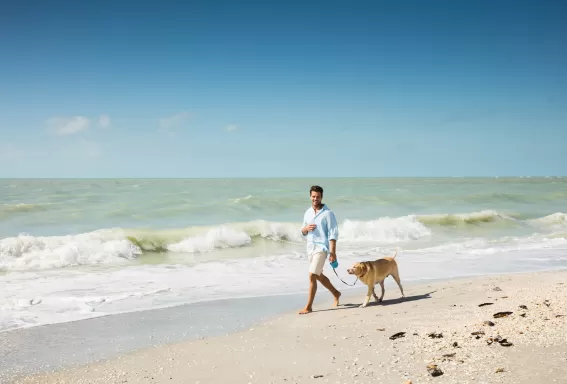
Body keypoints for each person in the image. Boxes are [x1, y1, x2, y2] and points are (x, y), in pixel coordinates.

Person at [298, 185, 341, 314]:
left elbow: (333, 234)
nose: (315, 198)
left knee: (312, 275)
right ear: (310, 196)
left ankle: (309, 307)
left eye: (317, 196)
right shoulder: (308, 212)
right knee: (317, 275)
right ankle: (336, 293)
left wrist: (333, 252)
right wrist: (305, 229)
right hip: (310, 248)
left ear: (321, 197)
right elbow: (302, 230)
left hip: (321, 248)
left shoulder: (328, 213)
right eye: (313, 196)